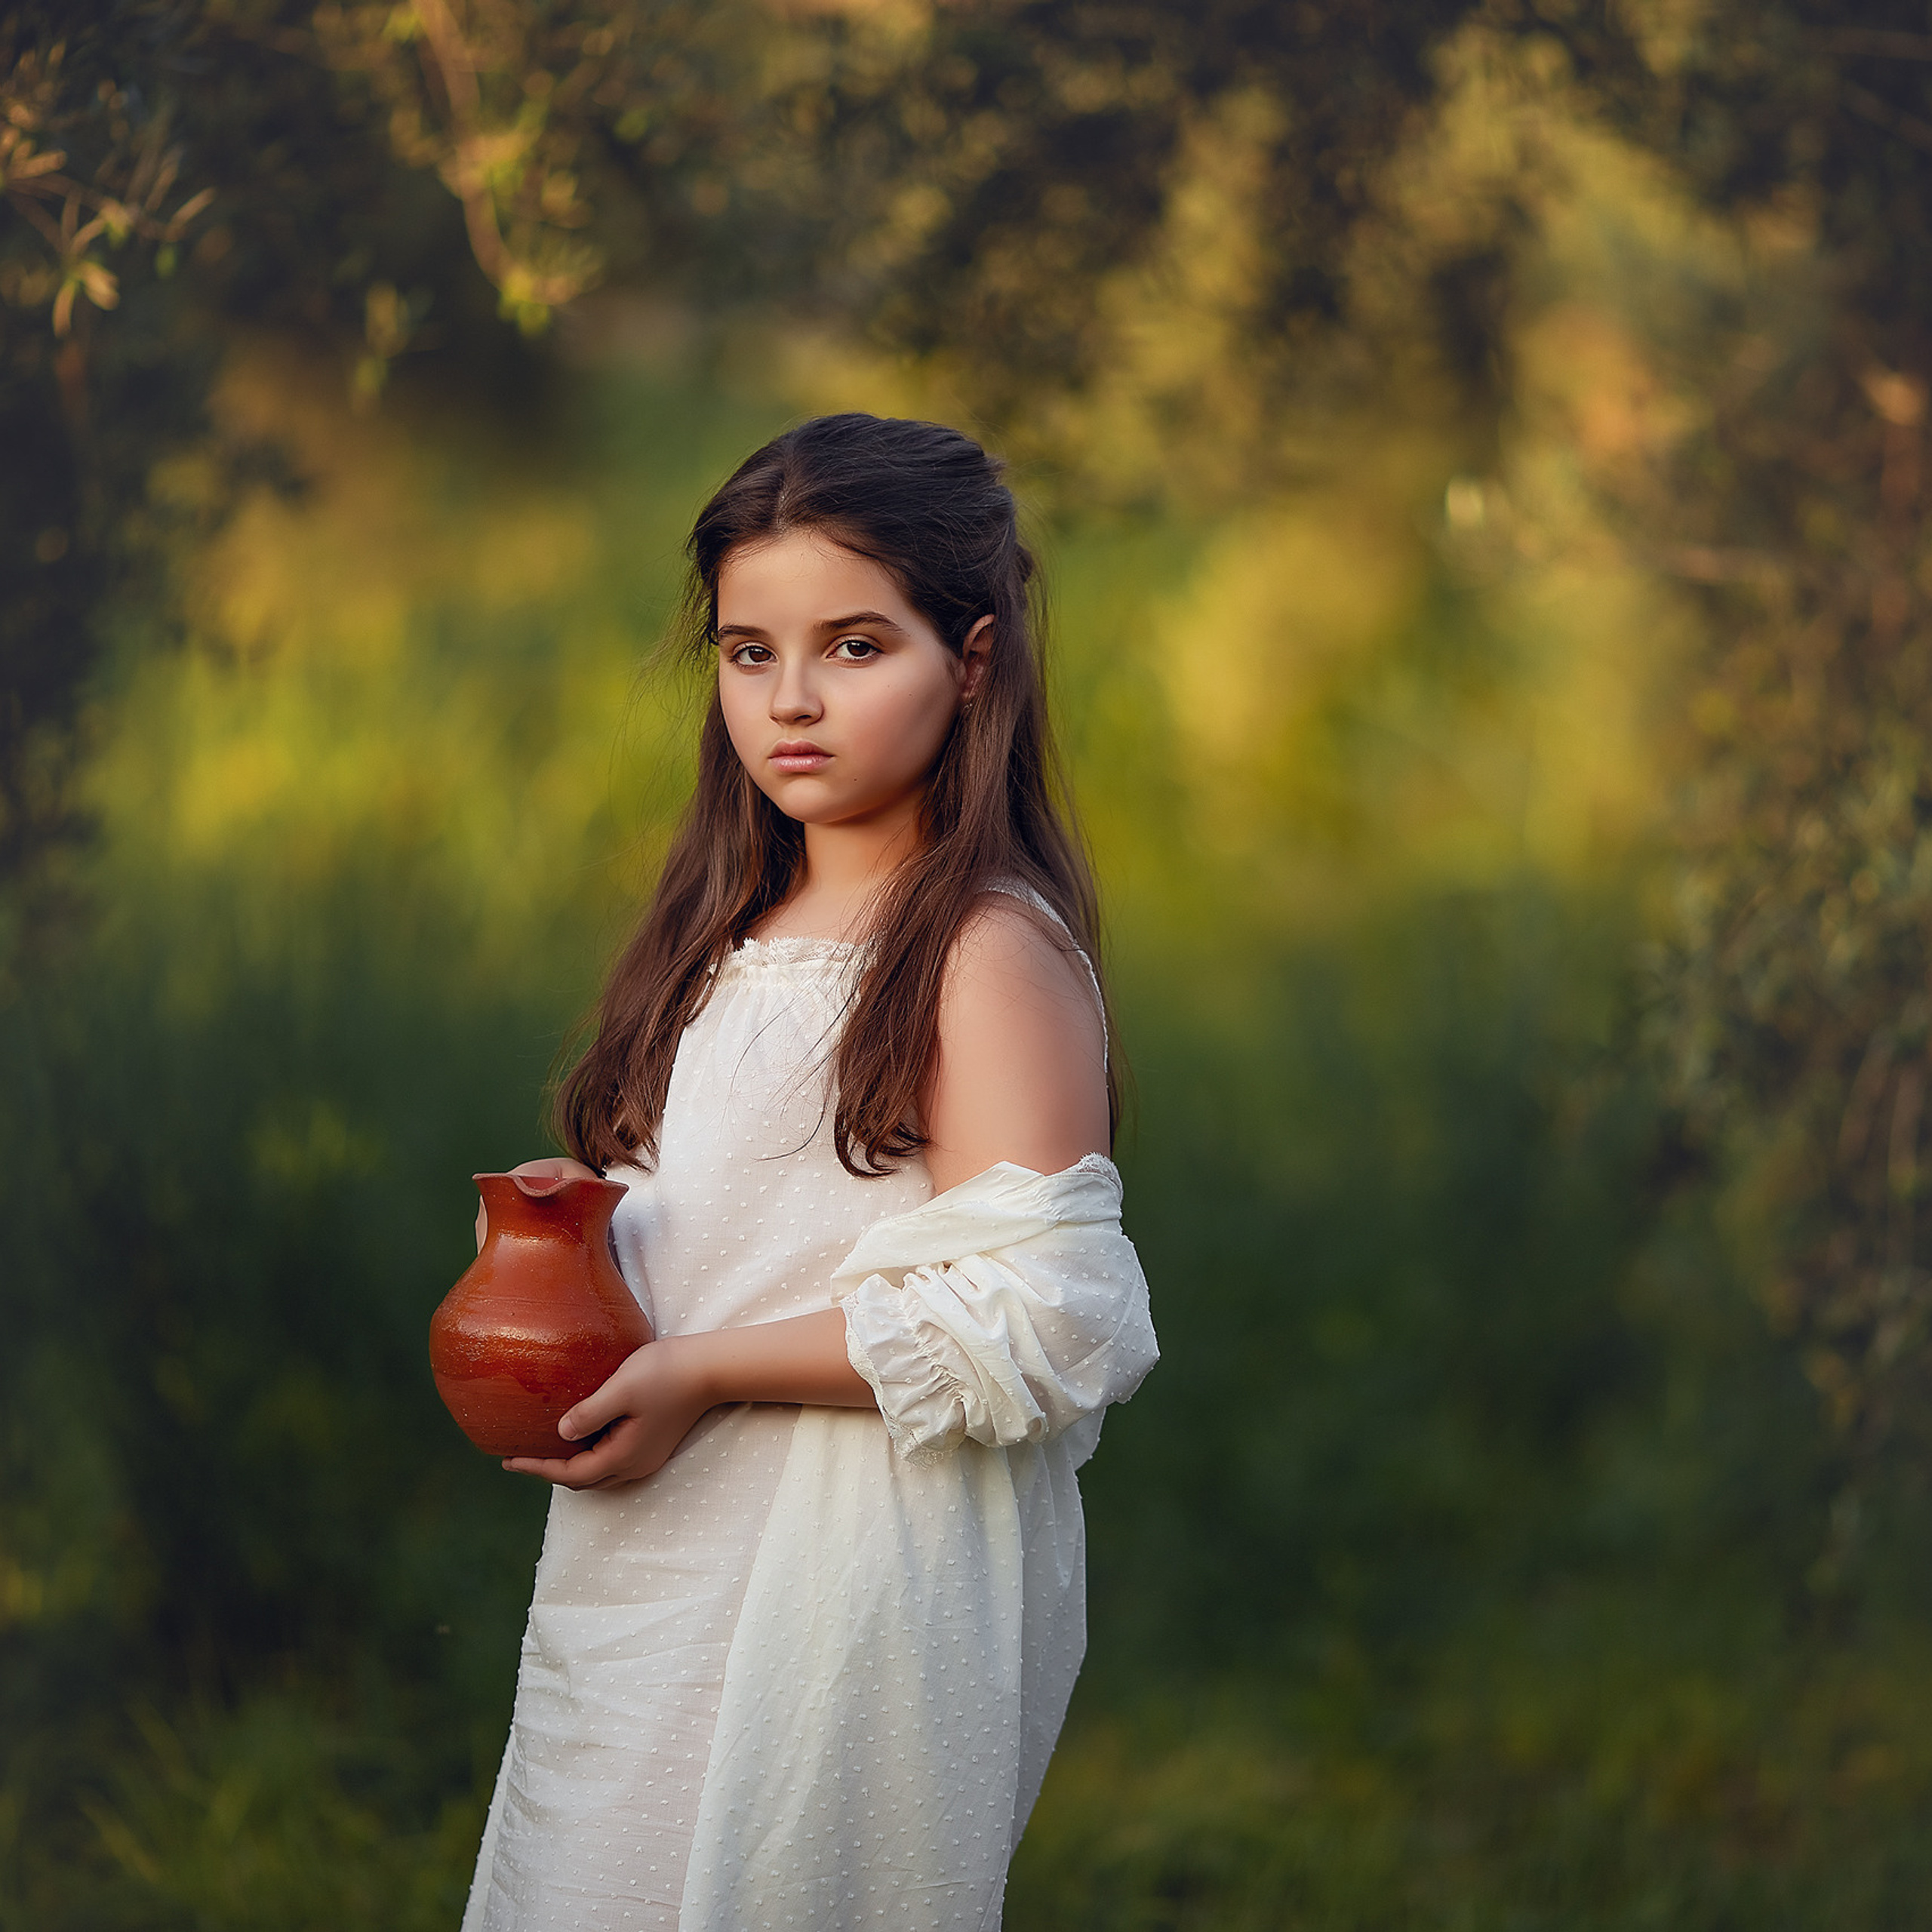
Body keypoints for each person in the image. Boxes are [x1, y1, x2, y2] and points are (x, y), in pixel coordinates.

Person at [462, 412, 1159, 1932]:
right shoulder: (722, 940)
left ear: (969, 661)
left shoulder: (981, 949)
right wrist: (578, 1230)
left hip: (846, 1575)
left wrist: (707, 1368)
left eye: (853, 647)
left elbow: (1049, 1316)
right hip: (665, 1546)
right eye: (745, 651)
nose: (788, 701)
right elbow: (746, 1221)